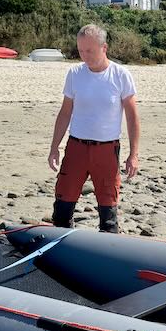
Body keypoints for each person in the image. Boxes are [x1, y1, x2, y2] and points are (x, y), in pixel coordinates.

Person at [48, 24, 139, 233]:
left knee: (108, 213)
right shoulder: (75, 73)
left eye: (89, 50)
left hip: (106, 151)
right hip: (76, 148)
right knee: (62, 207)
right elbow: (64, 113)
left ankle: (108, 251)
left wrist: (134, 154)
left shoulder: (120, 75)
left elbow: (132, 117)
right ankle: (59, 247)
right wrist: (55, 147)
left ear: (104, 47)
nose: (84, 55)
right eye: (80, 50)